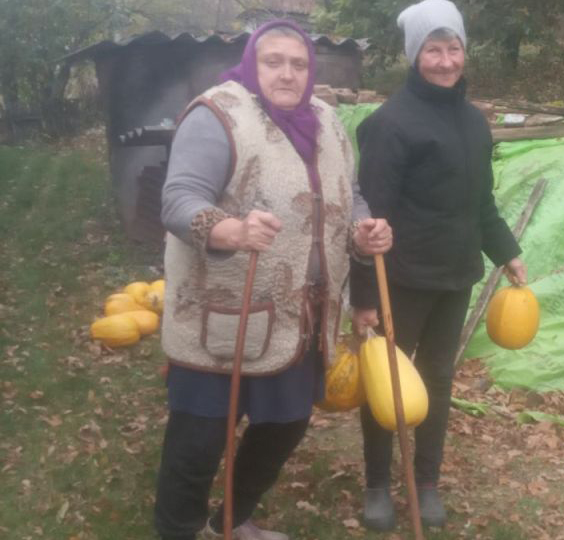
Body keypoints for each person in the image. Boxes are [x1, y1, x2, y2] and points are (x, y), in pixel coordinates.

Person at [154, 20, 391, 540]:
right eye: (273, 61)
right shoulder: (218, 114)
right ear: (252, 63)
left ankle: (229, 523)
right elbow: (178, 200)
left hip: (298, 320)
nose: (287, 73)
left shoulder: (327, 120)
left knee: (285, 426)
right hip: (221, 318)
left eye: (299, 63)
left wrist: (363, 228)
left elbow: (346, 194)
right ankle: (178, 530)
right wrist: (229, 228)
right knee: (198, 442)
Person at [349, 0, 527, 531]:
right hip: (399, 279)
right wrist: (362, 297)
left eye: (453, 49)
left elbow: (482, 205)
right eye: (433, 49)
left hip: (456, 277)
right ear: (414, 55)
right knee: (387, 385)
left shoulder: (474, 122)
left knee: (439, 380)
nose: (446, 61)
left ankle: (426, 480)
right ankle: (379, 482)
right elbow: (368, 221)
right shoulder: (390, 124)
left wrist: (507, 252)